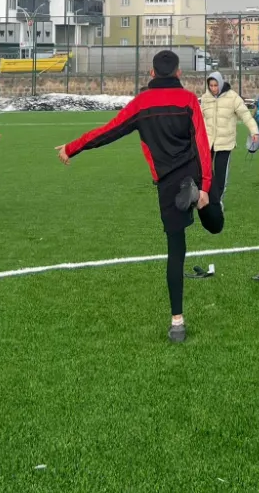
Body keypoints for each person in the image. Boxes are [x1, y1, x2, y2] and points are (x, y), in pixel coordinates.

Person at [56, 50, 222, 343]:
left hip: (168, 184)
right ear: (179, 73)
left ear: (152, 73)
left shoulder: (141, 103)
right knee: (215, 225)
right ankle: (199, 198)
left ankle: (177, 323)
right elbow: (201, 141)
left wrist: (73, 147)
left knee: (176, 250)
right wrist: (206, 186)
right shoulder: (188, 100)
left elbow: (108, 132)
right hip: (194, 174)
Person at [200, 71, 258, 207]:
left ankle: (218, 200)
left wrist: (254, 131)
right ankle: (204, 197)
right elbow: (199, 117)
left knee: (221, 173)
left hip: (225, 143)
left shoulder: (233, 97)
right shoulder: (205, 98)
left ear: (220, 84)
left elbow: (245, 115)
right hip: (207, 142)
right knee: (204, 171)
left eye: (215, 85)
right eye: (211, 85)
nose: (213, 88)